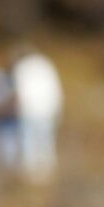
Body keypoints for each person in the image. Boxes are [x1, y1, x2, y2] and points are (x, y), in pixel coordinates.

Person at [10, 49, 62, 183]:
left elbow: (20, 92)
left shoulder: (22, 67)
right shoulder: (46, 65)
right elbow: (55, 90)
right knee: (45, 143)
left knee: (30, 145)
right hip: (46, 110)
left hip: (29, 111)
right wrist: (57, 109)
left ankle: (32, 176)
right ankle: (46, 175)